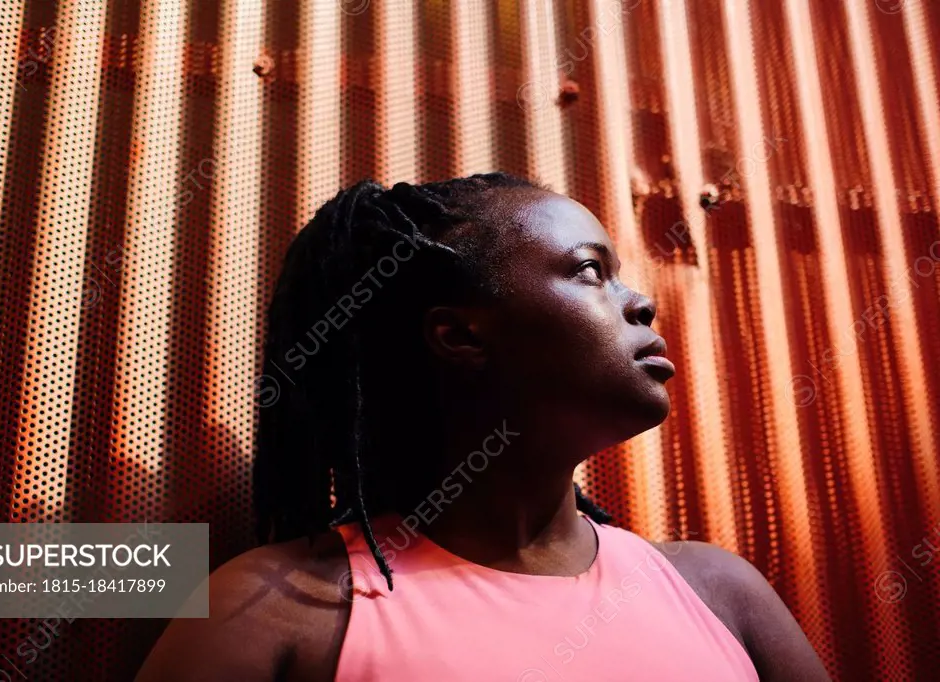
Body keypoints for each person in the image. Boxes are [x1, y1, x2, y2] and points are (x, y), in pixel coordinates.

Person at [135, 173, 831, 681]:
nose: (641, 301)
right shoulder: (279, 610)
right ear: (460, 336)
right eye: (591, 271)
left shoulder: (717, 590)